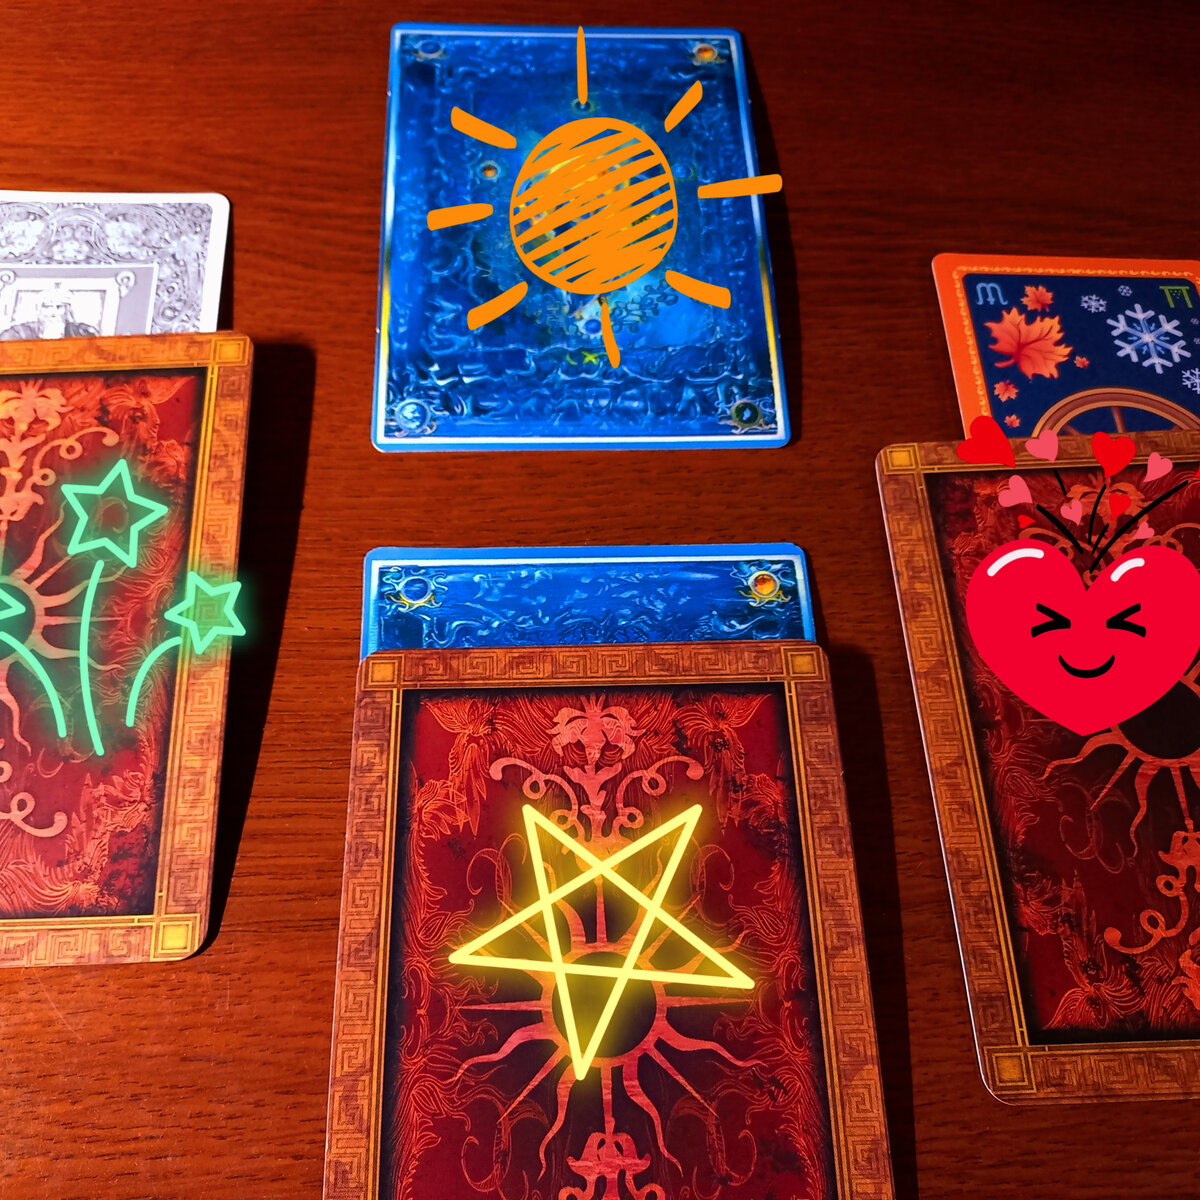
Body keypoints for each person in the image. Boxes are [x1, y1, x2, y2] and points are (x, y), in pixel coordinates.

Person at [0, 283, 99, 340]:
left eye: (59, 307)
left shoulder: (80, 331)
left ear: (67, 310)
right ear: (39, 310)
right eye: (47, 307)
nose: (53, 312)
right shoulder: (20, 331)